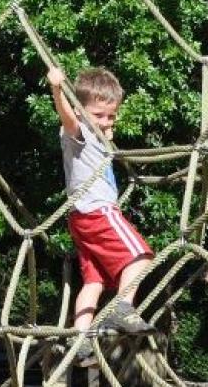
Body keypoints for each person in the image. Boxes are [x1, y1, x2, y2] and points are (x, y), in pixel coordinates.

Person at [47, 66, 154, 361]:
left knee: (93, 281)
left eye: (111, 115)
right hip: (98, 212)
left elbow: (96, 125)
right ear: (82, 111)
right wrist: (57, 89)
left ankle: (79, 337)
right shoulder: (77, 132)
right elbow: (69, 118)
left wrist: (104, 128)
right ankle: (123, 307)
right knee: (141, 256)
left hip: (79, 219)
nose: (106, 121)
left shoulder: (98, 137)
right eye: (99, 115)